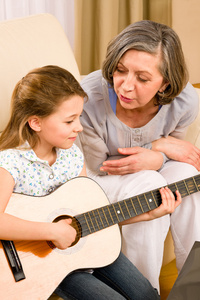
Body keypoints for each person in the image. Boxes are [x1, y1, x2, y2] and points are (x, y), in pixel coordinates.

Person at [0, 65, 181, 299]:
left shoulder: (72, 156)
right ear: (36, 122)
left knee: (147, 294)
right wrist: (53, 231)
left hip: (89, 248)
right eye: (69, 121)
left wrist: (149, 215)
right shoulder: (10, 162)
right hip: (47, 265)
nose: (79, 127)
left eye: (79, 117)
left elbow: (90, 216)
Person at [78, 20, 200, 291]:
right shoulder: (89, 96)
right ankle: (143, 292)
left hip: (148, 170)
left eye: (143, 78)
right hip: (98, 177)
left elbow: (174, 155)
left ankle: (194, 286)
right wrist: (157, 149)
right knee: (149, 187)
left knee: (189, 176)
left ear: (165, 84)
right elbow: (99, 164)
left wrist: (159, 153)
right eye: (120, 70)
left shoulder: (185, 101)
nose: (125, 86)